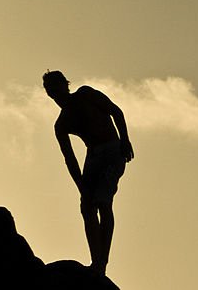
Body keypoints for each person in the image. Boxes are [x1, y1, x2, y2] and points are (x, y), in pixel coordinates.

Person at [42, 70, 134, 275]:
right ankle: (96, 262)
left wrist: (125, 140)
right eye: (50, 90)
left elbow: (115, 111)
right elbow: (69, 159)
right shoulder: (61, 123)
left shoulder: (85, 94)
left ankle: (102, 263)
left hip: (112, 149)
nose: (54, 93)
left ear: (65, 85)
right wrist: (81, 186)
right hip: (92, 156)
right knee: (87, 207)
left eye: (56, 87)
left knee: (103, 201)